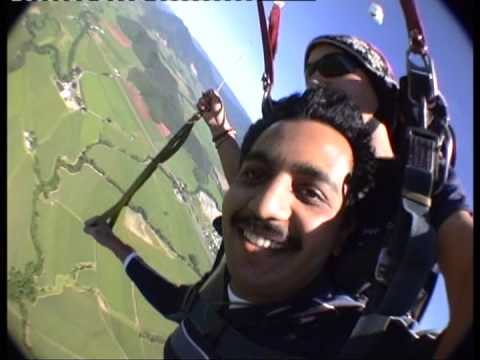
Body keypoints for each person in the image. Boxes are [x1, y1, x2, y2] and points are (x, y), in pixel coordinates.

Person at [198, 35, 473, 359]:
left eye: (332, 66)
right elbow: (251, 188)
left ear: (377, 84)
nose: (315, 78)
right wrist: (219, 128)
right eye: (310, 71)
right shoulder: (316, 154)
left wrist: (436, 189)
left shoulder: (421, 182)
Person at [86, 85, 389, 358]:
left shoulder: (347, 341)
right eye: (255, 175)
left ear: (342, 233)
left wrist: (429, 200)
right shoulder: (216, 293)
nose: (265, 206)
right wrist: (114, 243)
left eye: (310, 192)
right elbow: (176, 304)